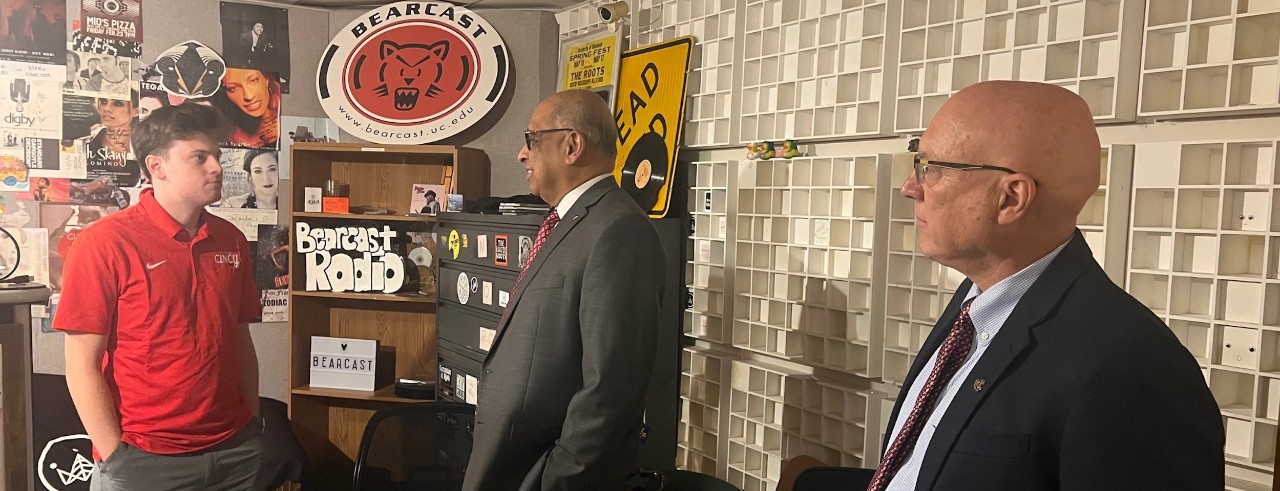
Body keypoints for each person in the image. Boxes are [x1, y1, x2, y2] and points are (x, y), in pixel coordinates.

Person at [870, 81, 1223, 491]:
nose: (910, 188)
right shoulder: (974, 306)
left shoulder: (1130, 368)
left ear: (1011, 198)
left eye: (932, 168)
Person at [463, 90, 667, 490]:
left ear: (572, 145)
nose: (523, 154)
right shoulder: (565, 220)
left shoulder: (619, 230)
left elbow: (611, 388)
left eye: (532, 139)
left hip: (544, 477)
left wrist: (554, 481)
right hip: (509, 465)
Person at [54, 103, 264, 491]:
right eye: (199, 157)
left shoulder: (231, 238)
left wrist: (250, 422)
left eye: (216, 155)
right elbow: (80, 364)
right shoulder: (105, 243)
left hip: (234, 452)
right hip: (143, 460)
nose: (217, 167)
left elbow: (239, 339)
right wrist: (115, 454)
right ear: (157, 166)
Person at [214, 68, 280, 149]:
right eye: (233, 88)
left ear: (266, 80)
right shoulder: (226, 133)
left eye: (254, 80)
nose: (248, 96)